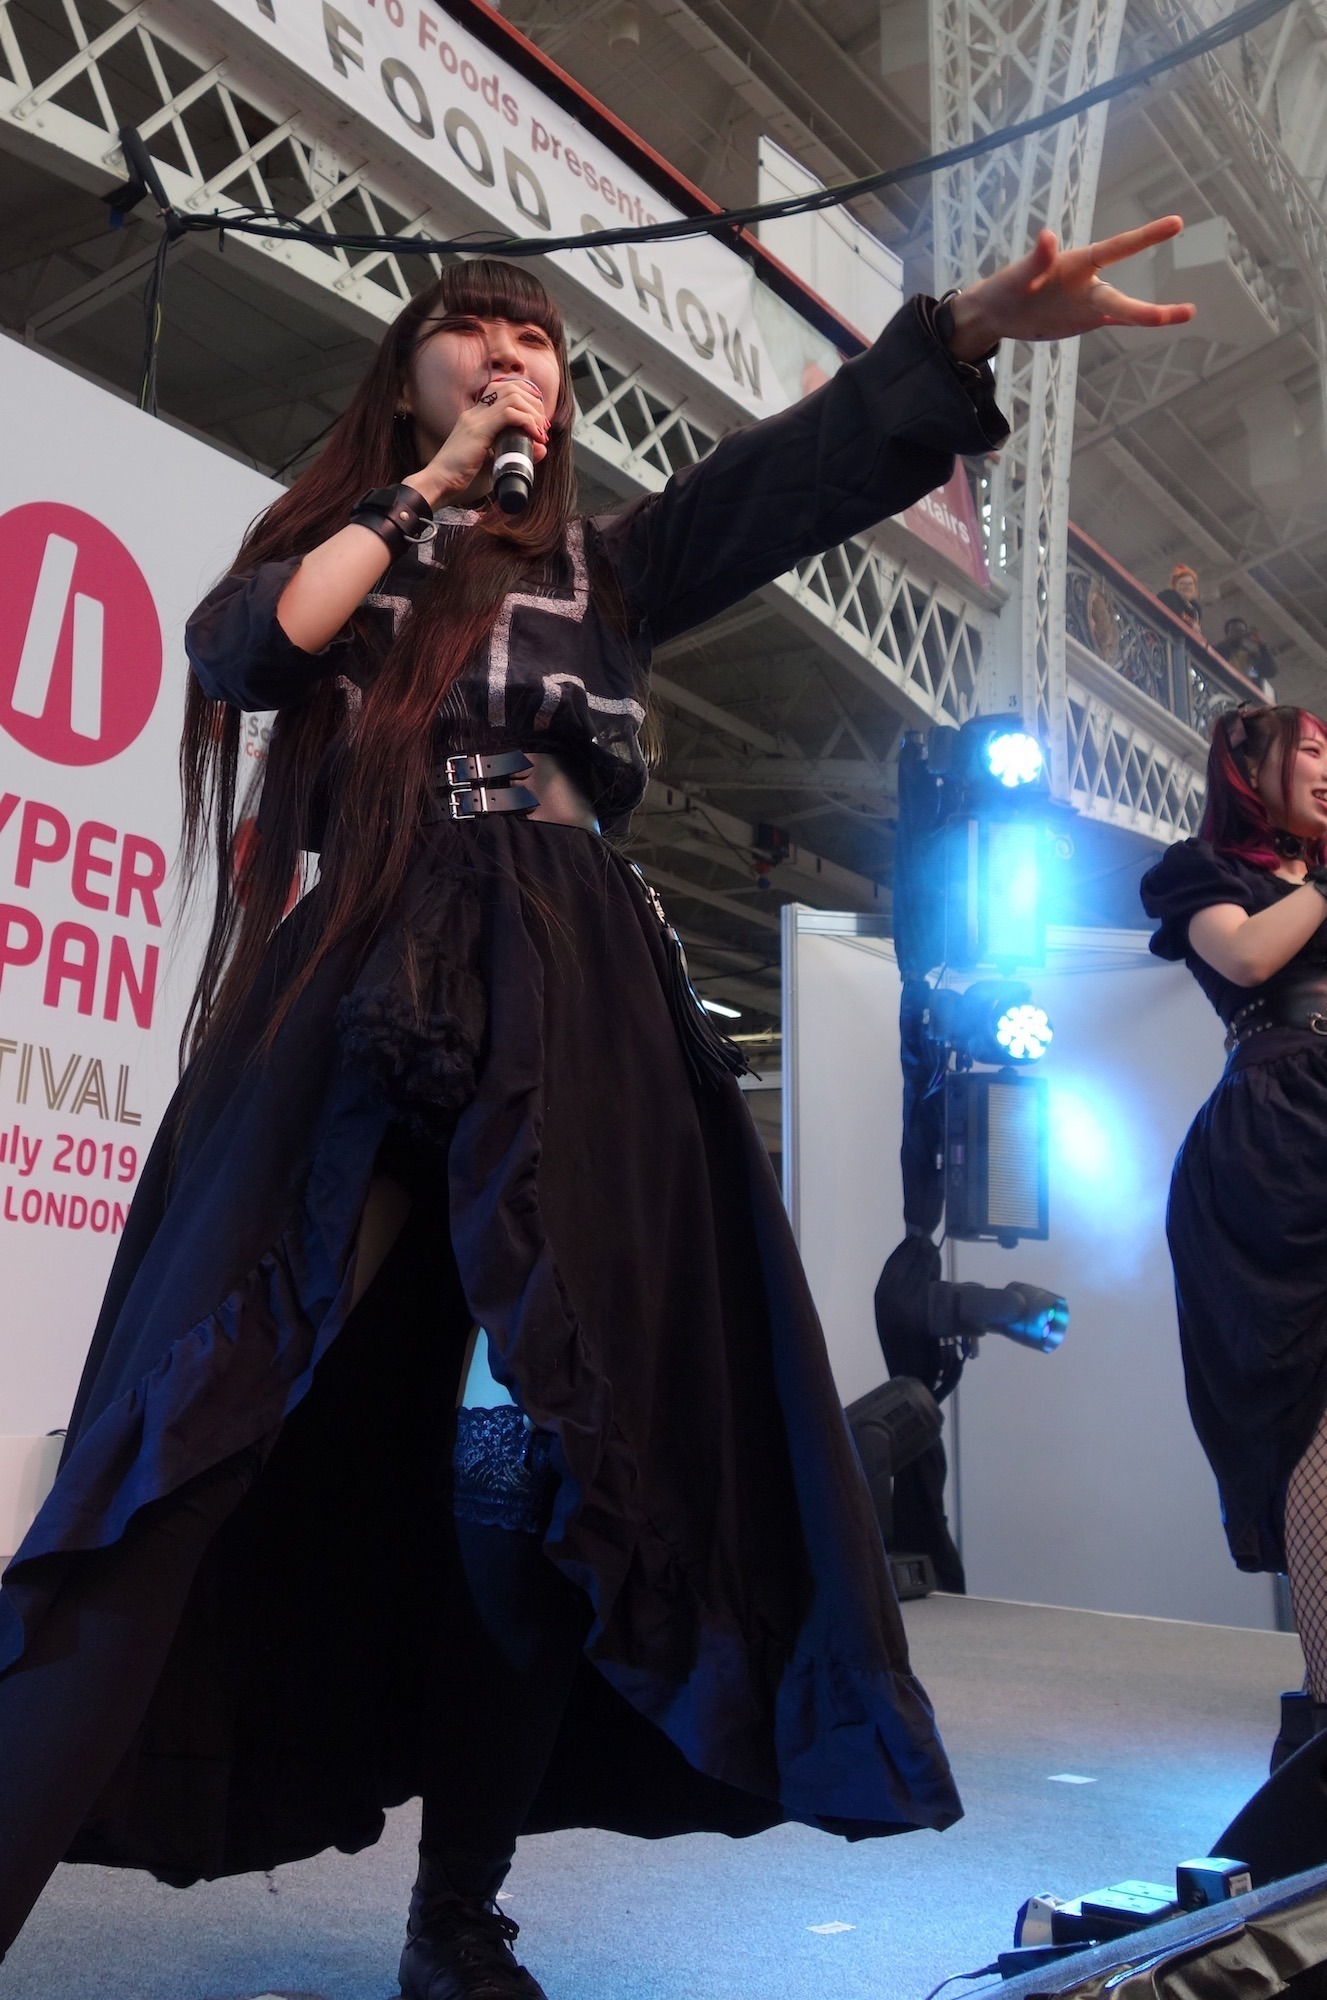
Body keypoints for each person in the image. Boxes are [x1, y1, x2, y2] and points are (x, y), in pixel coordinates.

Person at [0, 217, 1193, 1998]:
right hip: (363, 970)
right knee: (191, 1420)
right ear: (406, 377)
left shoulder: (608, 572)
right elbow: (247, 652)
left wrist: (961, 327)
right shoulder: (352, 545)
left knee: (543, 1464)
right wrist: (421, 499)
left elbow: (798, 472)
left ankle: (457, 1914)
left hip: (573, 989)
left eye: (538, 344)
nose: (512, 359)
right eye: (473, 333)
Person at [1141, 705, 1327, 1772]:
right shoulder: (1203, 871)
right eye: (1310, 750)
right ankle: (1324, 1709)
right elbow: (1248, 958)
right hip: (1280, 1137)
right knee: (1305, 1413)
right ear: (1250, 768)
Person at [1217, 617, 1277, 695]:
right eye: (1235, 630)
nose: (1239, 633)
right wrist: (1229, 641)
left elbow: (1270, 671)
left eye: (1242, 631)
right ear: (1227, 634)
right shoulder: (1218, 651)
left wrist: (1261, 645)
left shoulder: (1250, 658)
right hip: (1223, 692)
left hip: (1244, 697)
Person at [1158, 561, 1204, 633]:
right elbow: (1175, 610)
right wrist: (1191, 623)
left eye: (1190, 584)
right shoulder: (1168, 595)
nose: (1187, 587)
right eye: (1182, 583)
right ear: (1174, 586)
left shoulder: (1196, 609)